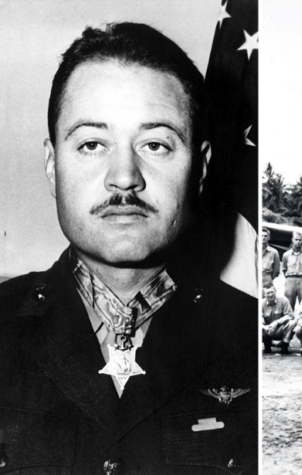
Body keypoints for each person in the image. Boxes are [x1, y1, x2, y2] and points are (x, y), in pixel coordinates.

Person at [0, 23, 256, 472]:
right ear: (52, 164)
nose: (124, 176)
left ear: (199, 169)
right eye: (92, 144)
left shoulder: (252, 340)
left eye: (155, 144)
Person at [262, 283, 295, 354]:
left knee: (292, 323)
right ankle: (266, 345)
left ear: (275, 291)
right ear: (264, 294)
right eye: (268, 293)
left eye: (272, 292)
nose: (270, 295)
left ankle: (284, 345)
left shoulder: (283, 300)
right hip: (266, 330)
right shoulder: (261, 303)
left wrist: (277, 322)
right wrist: (265, 327)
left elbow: (290, 315)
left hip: (279, 329)